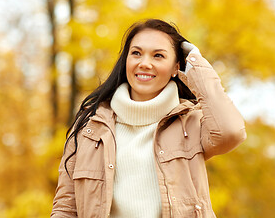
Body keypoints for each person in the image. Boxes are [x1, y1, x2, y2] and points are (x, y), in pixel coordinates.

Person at [50, 19, 246, 218]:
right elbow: (66, 209)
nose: (144, 63)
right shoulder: (89, 127)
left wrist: (196, 64)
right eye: (136, 53)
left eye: (158, 56)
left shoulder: (191, 123)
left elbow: (231, 132)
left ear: (176, 67)